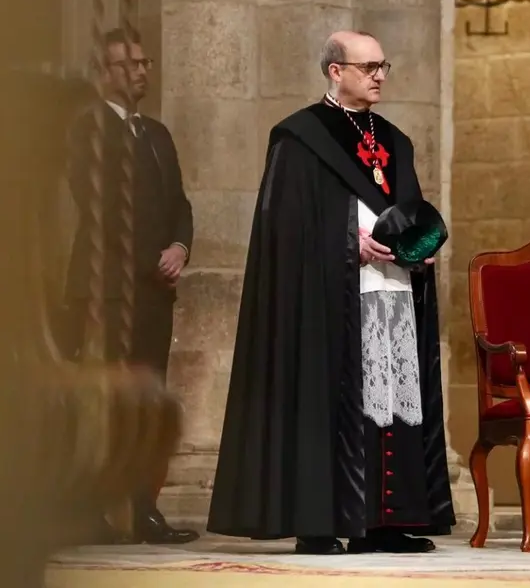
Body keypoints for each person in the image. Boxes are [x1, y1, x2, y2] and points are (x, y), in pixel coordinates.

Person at [207, 30, 455, 555]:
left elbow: (407, 206)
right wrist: (348, 243)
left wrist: (419, 246)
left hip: (390, 288)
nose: (380, 75)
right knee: (335, 403)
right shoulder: (301, 138)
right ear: (335, 71)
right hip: (328, 296)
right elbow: (284, 225)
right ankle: (319, 523)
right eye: (368, 67)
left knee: (389, 404)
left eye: (383, 66)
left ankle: (383, 524)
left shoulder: (393, 138)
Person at [64, 27, 198, 544]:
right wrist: (148, 258)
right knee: (105, 401)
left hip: (152, 294)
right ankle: (89, 512)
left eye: (146, 62)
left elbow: (179, 205)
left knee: (147, 403)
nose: (143, 71)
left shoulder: (157, 133)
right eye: (131, 64)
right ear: (106, 71)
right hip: (106, 288)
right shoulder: (87, 129)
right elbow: (97, 209)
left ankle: (144, 510)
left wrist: (180, 249)